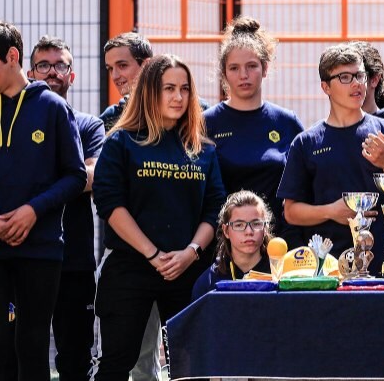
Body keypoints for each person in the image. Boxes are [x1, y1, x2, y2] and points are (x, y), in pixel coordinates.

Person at [90, 54, 226, 380]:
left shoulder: (202, 148)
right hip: (130, 268)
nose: (178, 97)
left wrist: (191, 252)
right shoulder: (122, 142)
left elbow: (214, 207)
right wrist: (152, 254)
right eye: (168, 88)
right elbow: (109, 203)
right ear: (150, 91)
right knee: (117, 363)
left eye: (184, 89)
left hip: (188, 269)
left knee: (191, 367)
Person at [276, 44, 384, 274]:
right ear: (325, 87)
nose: (356, 83)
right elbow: (291, 212)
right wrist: (332, 211)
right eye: (345, 77)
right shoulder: (306, 142)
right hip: (327, 271)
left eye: (360, 75)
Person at [0, 21, 86, 381]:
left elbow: (76, 175)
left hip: (41, 250)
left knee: (32, 345)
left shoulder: (51, 107)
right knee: (0, 346)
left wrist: (33, 210)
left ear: (12, 57)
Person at [27, 36, 104, 381]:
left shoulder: (88, 124)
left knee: (75, 356)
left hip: (74, 258)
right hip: (22, 254)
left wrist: (36, 175)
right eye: (44, 65)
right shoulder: (15, 123)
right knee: (20, 351)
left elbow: (91, 177)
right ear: (30, 72)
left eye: (61, 65)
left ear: (72, 76)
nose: (52, 72)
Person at [204, 16, 304, 245]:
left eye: (251, 66)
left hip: (279, 246)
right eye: (234, 68)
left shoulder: (287, 122)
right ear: (224, 73)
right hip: (223, 248)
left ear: (265, 68)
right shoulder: (206, 123)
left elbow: (302, 189)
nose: (243, 75)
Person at [192, 190, 272, 300]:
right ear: (226, 231)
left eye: (256, 224)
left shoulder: (280, 274)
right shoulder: (208, 282)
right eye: (239, 225)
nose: (249, 231)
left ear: (265, 228)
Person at [100, 32, 154, 131]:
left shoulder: (169, 111)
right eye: (110, 68)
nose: (114, 76)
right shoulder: (110, 116)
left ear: (146, 65)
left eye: (122, 65)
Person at [348, 41, 384, 122]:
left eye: (358, 76)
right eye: (345, 77)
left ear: (374, 80)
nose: (352, 84)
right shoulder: (335, 124)